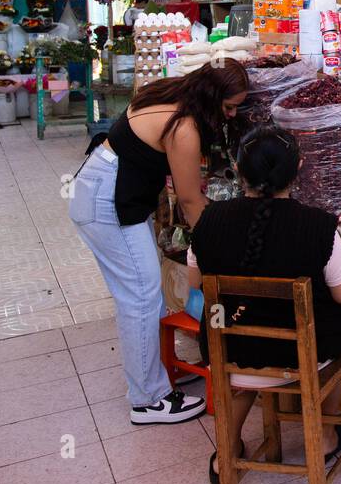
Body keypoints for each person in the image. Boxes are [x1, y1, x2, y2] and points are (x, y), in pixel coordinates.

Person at [68, 59, 249, 424]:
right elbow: (190, 200)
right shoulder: (183, 127)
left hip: (98, 185)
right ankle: (149, 400)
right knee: (141, 295)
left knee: (139, 293)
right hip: (109, 202)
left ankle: (151, 380)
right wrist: (217, 246)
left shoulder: (169, 92)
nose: (230, 116)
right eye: (228, 107)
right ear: (212, 97)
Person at [188, 126, 341, 484]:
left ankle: (226, 452)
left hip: (229, 355)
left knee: (246, 355)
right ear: (299, 168)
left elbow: (196, 283)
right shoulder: (316, 225)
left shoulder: (209, 221)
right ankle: (328, 437)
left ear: (238, 171)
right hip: (301, 358)